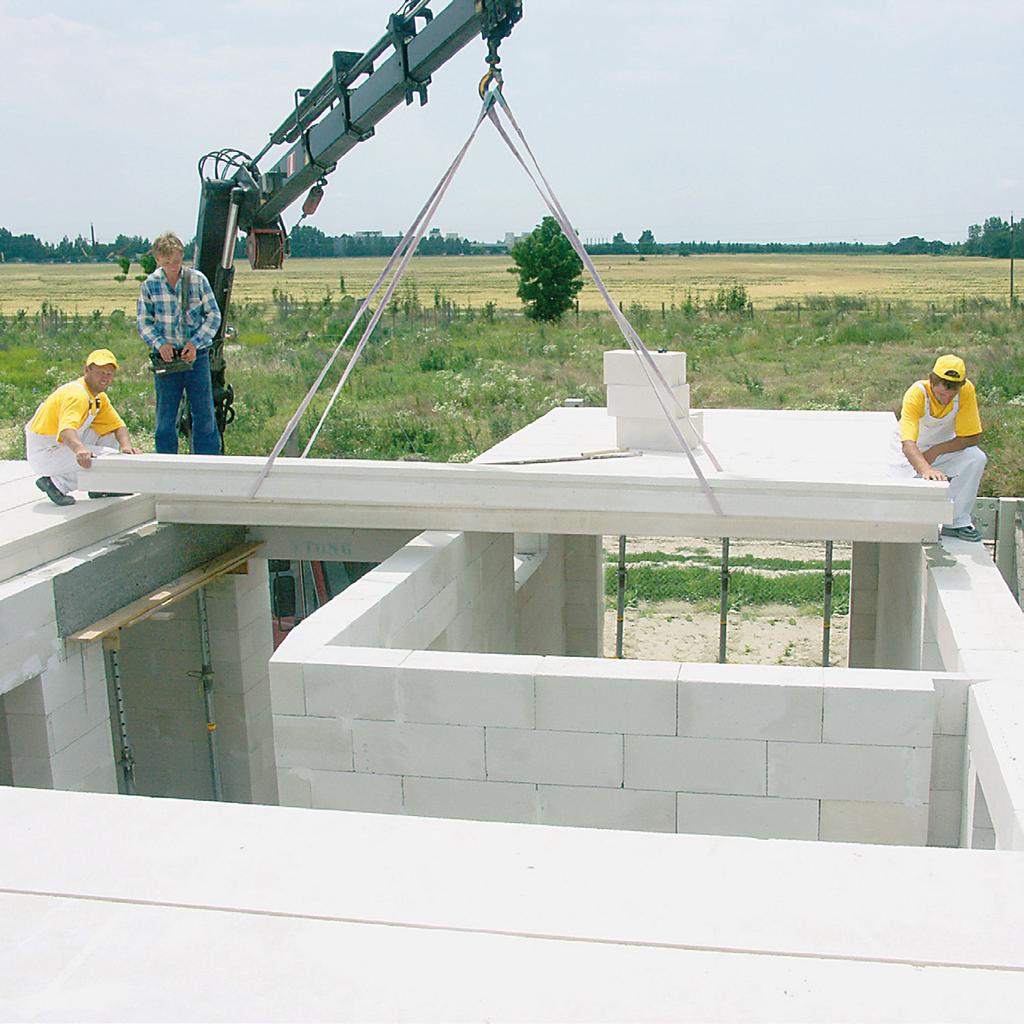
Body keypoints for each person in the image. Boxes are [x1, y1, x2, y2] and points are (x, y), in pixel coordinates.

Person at [137, 231, 222, 454]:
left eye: (176, 261)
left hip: (197, 356)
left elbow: (213, 315)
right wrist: (160, 344)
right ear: (158, 260)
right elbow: (144, 322)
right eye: (167, 262)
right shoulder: (150, 285)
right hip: (166, 359)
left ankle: (208, 464)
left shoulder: (197, 280)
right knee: (165, 418)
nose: (173, 266)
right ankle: (167, 466)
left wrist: (195, 343)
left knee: (204, 415)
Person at [25, 349, 142, 506]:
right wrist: (81, 451)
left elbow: (118, 426)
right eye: (101, 372)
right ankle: (55, 483)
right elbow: (66, 431)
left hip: (59, 444)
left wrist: (127, 447)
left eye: (109, 374)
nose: (105, 378)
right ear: (87, 370)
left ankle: (99, 486)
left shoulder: (99, 397)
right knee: (109, 458)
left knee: (109, 435)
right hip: (47, 451)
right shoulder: (76, 394)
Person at [899, 353, 987, 542]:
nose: (946, 399)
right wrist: (925, 468)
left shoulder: (966, 391)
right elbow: (907, 444)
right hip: (908, 455)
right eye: (940, 394)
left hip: (943, 450)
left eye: (951, 395)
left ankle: (957, 522)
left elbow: (971, 437)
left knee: (976, 458)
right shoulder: (917, 393)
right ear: (931, 381)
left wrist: (935, 452)